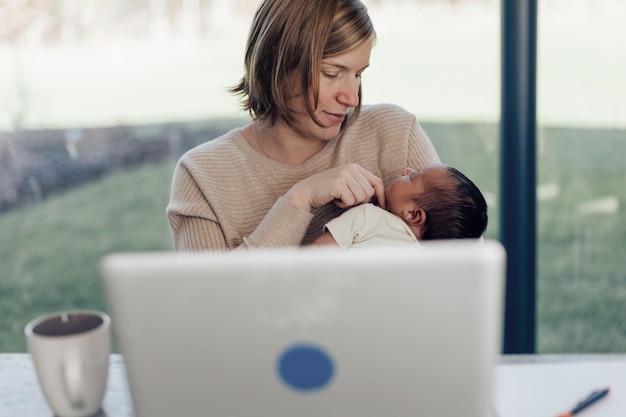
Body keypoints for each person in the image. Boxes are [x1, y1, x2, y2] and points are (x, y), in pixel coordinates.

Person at [167, 0, 441, 252]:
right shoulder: (202, 176)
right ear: (278, 59)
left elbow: (463, 273)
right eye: (332, 73)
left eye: (358, 74)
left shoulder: (393, 133)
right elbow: (209, 302)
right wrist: (299, 199)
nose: (351, 97)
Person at [311, 164, 488, 249]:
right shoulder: (434, 262)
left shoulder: (368, 217)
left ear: (413, 215)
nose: (406, 170)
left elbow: (315, 255)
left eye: (412, 177)